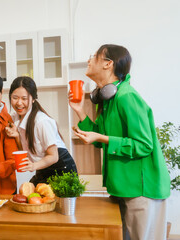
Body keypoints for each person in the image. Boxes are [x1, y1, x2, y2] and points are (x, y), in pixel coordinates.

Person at [69, 44, 170, 240]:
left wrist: (101, 138)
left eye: (94, 57)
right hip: (123, 186)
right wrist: (80, 110)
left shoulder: (127, 97)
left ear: (108, 64)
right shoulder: (109, 99)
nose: (89, 61)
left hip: (141, 189)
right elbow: (100, 139)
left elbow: (143, 144)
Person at [5, 76, 77, 184]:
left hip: (62, 169)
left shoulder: (41, 121)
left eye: (24, 98)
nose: (19, 103)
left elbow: (53, 156)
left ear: (33, 99)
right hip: (43, 169)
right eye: (15, 97)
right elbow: (25, 149)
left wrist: (33, 166)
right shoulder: (16, 118)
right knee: (28, 194)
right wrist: (16, 136)